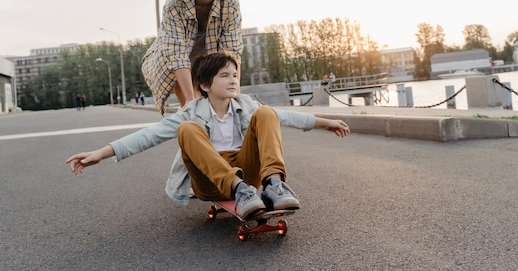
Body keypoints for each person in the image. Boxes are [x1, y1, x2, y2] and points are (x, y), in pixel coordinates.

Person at [66, 52, 350, 219]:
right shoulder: (191, 112)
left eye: (235, 75)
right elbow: (147, 136)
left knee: (267, 113)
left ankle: (274, 184)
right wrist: (99, 155)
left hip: (246, 170)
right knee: (187, 129)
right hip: (209, 181)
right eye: (225, 76)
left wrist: (326, 122)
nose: (233, 80)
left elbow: (286, 117)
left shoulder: (247, 104)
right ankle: (239, 191)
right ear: (205, 84)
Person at [141, 0, 243, 115]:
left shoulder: (229, 0)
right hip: (171, 61)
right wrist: (189, 100)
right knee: (195, 109)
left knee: (220, 108)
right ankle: (193, 131)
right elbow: (177, 55)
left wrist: (234, 95)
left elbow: (232, 51)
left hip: (206, 59)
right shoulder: (176, 2)